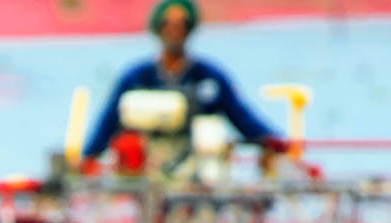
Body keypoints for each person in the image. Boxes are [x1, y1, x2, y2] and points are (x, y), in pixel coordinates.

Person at [82, 0, 284, 161]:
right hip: (145, 173)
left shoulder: (209, 77)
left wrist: (277, 143)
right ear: (158, 28)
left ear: (189, 29)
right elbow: (106, 126)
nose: (174, 30)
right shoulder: (136, 78)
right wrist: (87, 158)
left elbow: (244, 119)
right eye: (168, 24)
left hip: (197, 173)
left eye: (181, 25)